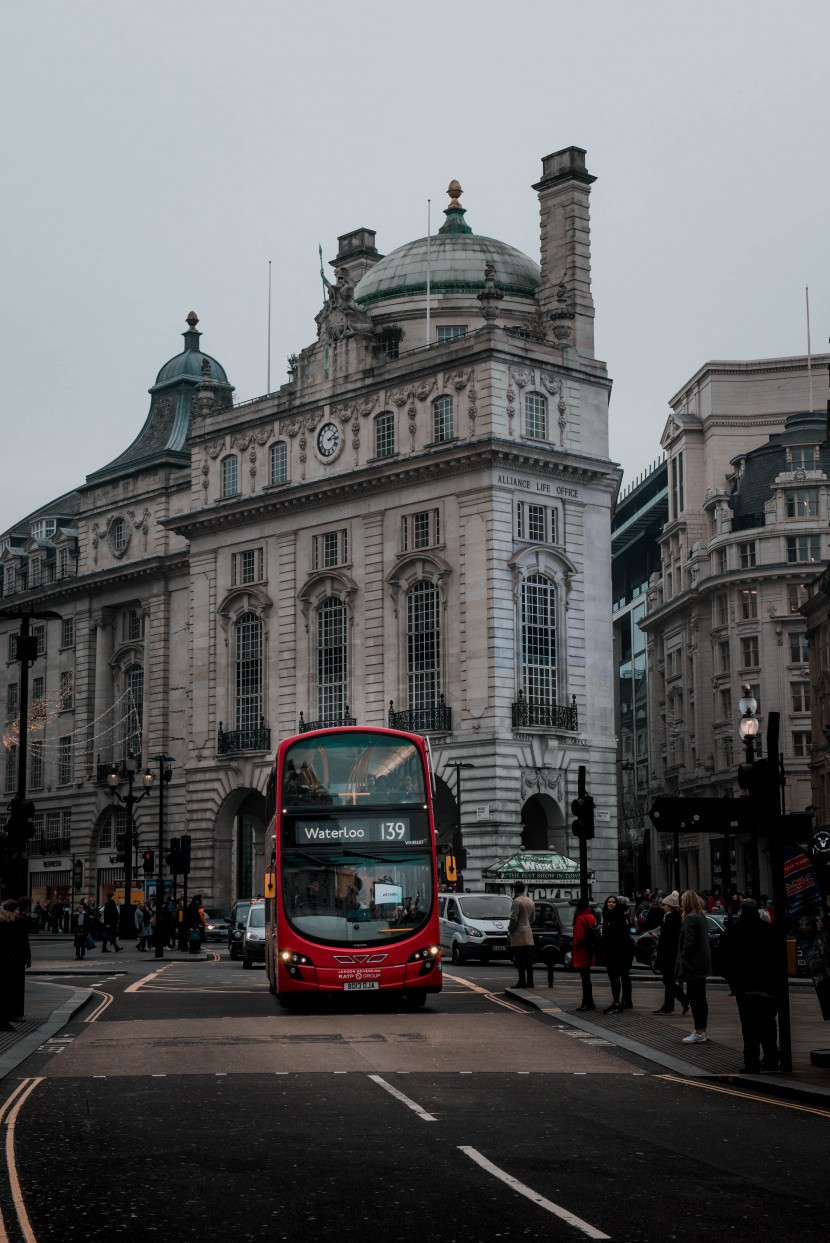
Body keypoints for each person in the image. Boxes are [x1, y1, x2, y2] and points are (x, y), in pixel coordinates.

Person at [719, 898, 780, 1073]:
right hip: (768, 987)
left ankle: (751, 1062)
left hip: (745, 988)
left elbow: (722, 961)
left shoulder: (733, 932)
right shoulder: (769, 930)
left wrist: (733, 980)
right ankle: (771, 1060)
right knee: (769, 1024)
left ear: (741, 911)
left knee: (749, 1027)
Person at [676, 890, 712, 1043]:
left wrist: (682, 958)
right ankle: (701, 1030)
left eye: (682, 900)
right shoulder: (701, 916)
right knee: (701, 999)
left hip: (693, 965)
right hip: (702, 964)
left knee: (695, 998)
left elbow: (689, 943)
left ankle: (698, 1031)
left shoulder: (690, 918)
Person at [653, 891, 690, 1015]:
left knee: (668, 980)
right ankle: (668, 1006)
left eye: (664, 905)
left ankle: (684, 1000)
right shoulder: (672, 917)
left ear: (669, 906)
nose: (662, 907)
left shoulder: (672, 918)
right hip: (670, 953)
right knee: (668, 981)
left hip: (669, 954)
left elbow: (669, 939)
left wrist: (659, 939)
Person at [601, 895, 634, 1013]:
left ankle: (618, 1002)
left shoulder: (618, 917)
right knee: (618, 977)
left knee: (617, 977)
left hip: (618, 953)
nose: (610, 904)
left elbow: (620, 937)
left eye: (613, 902)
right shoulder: (608, 916)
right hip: (612, 952)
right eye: (609, 902)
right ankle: (621, 1001)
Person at [507, 882, 535, 989]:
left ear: (515, 890)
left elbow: (514, 918)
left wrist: (510, 929)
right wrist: (527, 926)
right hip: (527, 931)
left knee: (519, 959)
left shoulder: (516, 902)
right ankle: (530, 982)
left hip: (518, 933)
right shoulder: (530, 901)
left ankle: (522, 981)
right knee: (527, 958)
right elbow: (533, 919)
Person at [572, 896, 597, 1011]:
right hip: (589, 950)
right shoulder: (591, 917)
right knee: (587, 978)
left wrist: (574, 946)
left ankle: (587, 1001)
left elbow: (579, 937)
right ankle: (588, 1001)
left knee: (585, 979)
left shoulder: (580, 918)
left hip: (581, 951)